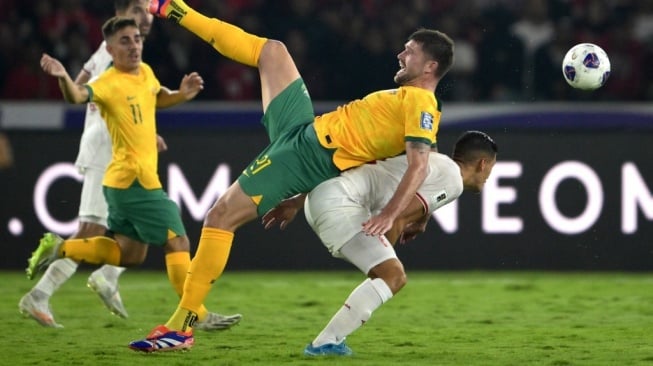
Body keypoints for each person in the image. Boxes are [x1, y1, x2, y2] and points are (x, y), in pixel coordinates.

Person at [126, 0, 454, 352]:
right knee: (272, 51)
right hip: (303, 128)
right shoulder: (407, 99)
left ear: (430, 66)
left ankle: (182, 327)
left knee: (221, 217)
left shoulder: (421, 104)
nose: (400, 55)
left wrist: (392, 214)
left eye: (410, 52)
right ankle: (172, 8)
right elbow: (381, 157)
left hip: (306, 153)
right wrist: (297, 198)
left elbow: (419, 165)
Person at [19, 0, 241, 331]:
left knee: (131, 252)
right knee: (121, 233)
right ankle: (43, 292)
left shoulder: (139, 65)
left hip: (123, 159)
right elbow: (83, 90)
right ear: (121, 12)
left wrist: (150, 126)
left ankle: (102, 277)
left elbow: (142, 101)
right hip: (108, 157)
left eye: (148, 11)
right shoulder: (110, 57)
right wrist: (68, 79)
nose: (146, 17)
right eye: (138, 9)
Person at [262, 130, 498, 355]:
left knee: (386, 273)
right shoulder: (453, 181)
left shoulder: (431, 161)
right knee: (393, 276)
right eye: (491, 168)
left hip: (322, 197)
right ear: (483, 164)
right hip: (340, 205)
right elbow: (398, 217)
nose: (488, 177)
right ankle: (324, 344)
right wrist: (382, 261)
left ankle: (328, 342)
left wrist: (296, 201)